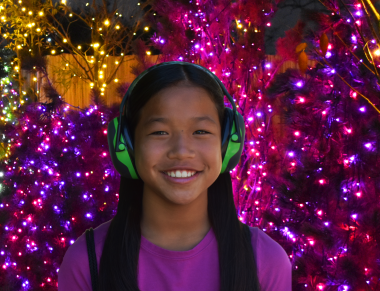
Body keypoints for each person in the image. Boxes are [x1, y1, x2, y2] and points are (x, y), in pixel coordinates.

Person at [58, 62, 292, 291]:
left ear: (227, 144)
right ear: (127, 146)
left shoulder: (265, 261)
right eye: (159, 132)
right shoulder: (87, 262)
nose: (181, 150)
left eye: (201, 131)